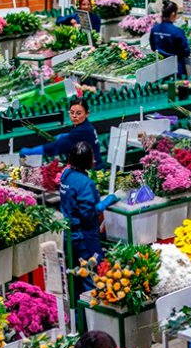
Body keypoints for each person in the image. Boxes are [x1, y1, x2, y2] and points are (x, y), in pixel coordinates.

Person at [58, 142, 118, 292]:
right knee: (91, 278)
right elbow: (88, 213)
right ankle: (90, 313)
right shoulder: (85, 184)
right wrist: (107, 201)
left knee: (75, 278)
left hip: (69, 236)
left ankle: (77, 315)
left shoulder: (66, 176)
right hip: (84, 238)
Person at [20, 98, 105, 170]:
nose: (74, 116)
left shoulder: (83, 130)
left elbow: (57, 146)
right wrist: (64, 136)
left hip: (93, 170)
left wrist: (30, 151)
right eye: (72, 113)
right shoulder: (84, 125)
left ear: (87, 114)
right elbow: (72, 138)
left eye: (79, 113)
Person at [150, 0, 191, 77]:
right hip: (176, 68)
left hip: (160, 67)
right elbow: (186, 51)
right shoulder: (177, 31)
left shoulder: (154, 29)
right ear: (173, 14)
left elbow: (153, 47)